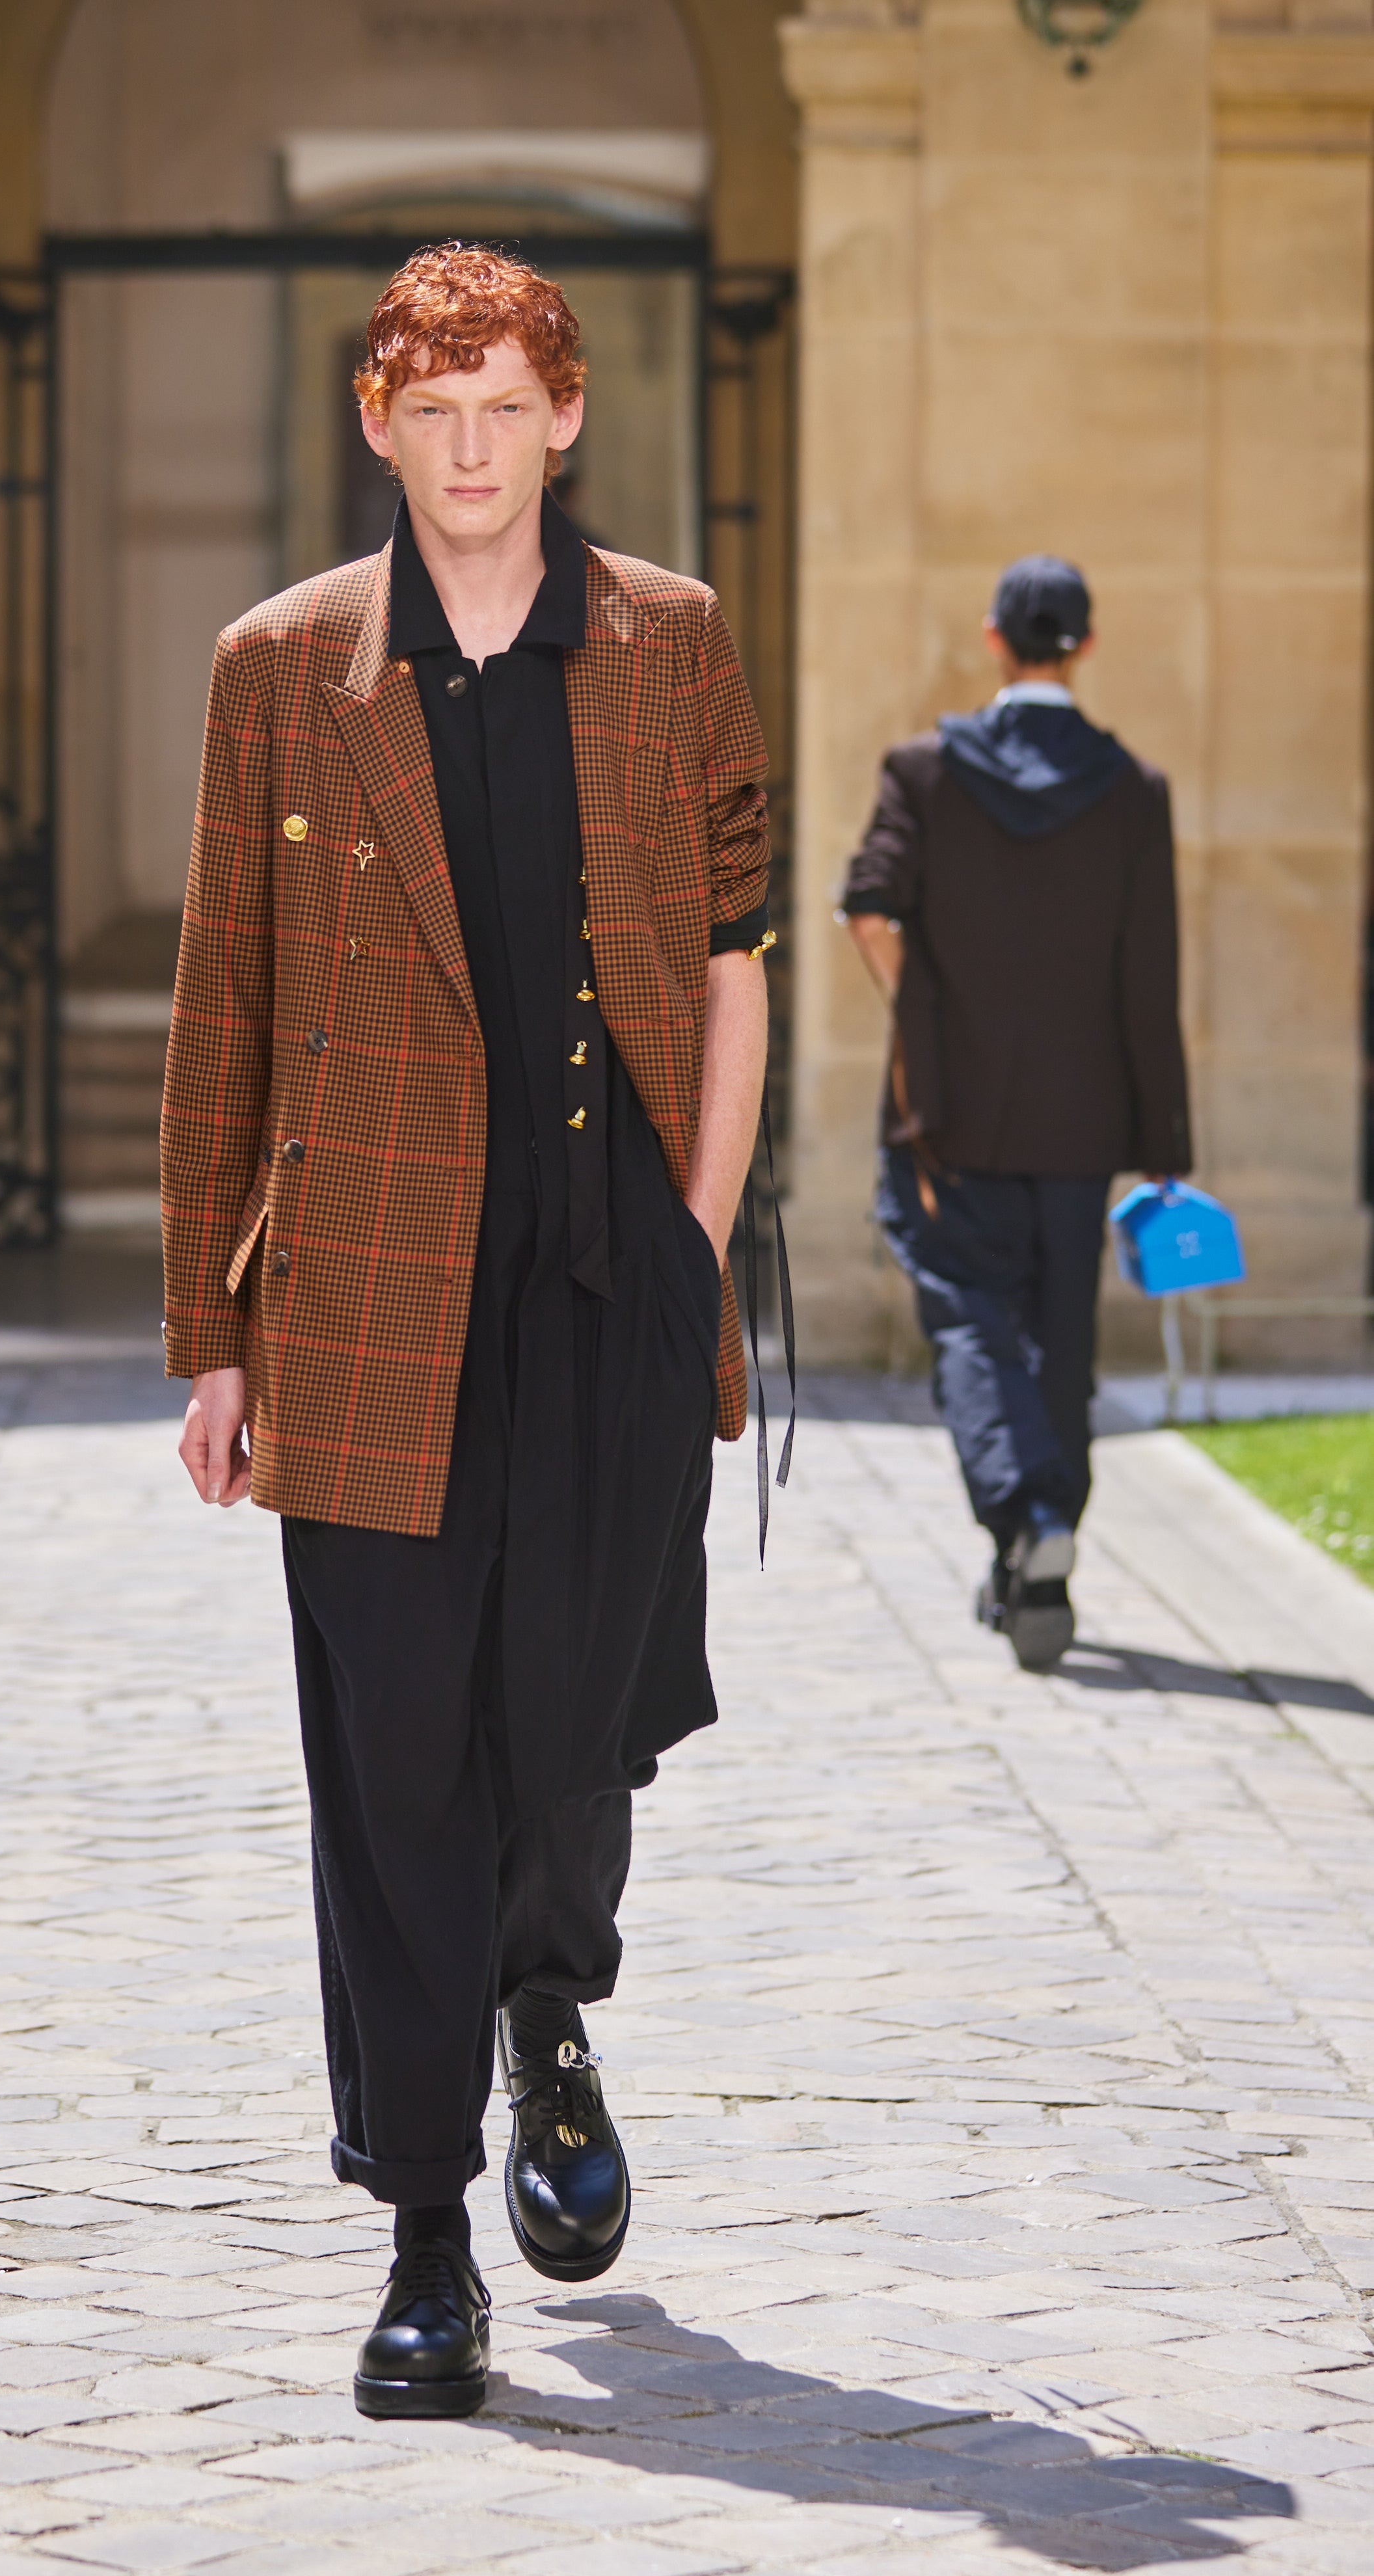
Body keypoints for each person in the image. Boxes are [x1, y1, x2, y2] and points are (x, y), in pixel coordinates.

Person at [161, 243, 773, 2418]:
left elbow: (733, 960)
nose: (472, 446)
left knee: (573, 1725)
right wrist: (212, 1332)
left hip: (611, 1280)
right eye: (433, 410)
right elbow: (223, 1000)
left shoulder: (671, 642)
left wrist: (695, 1242)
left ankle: (548, 2005)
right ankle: (425, 2229)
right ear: (380, 425)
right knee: (396, 1746)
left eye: (506, 404)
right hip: (364, 1287)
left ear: (565, 416)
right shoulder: (280, 666)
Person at [840, 554, 1190, 1671]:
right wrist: (1165, 1147)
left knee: (970, 1323)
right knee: (1061, 1340)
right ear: (1085, 647)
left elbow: (868, 907)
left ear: (995, 638)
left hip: (949, 1113)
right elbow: (1150, 980)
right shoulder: (1135, 790)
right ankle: (1041, 1549)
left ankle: (1027, 1514)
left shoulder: (924, 770)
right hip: (1083, 1126)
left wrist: (924, 1013)